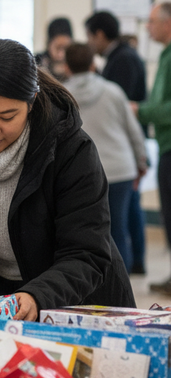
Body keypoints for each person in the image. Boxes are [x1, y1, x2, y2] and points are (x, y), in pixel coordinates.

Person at [0, 36, 135, 323]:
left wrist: (37, 295)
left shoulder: (70, 149)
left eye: (7, 116)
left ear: (31, 101)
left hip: (76, 302)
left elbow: (85, 252)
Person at [63, 43, 147, 272]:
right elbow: (133, 131)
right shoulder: (113, 91)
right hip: (121, 167)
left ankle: (102, 280)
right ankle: (125, 281)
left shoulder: (61, 95)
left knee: (90, 231)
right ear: (93, 64)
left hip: (83, 172)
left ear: (67, 67)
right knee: (118, 228)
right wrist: (142, 161)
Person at [86, 10, 149, 276]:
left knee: (118, 223)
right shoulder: (122, 56)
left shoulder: (120, 61)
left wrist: (141, 158)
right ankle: (136, 263)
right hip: (124, 157)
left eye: (91, 36)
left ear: (100, 34)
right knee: (130, 211)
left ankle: (125, 271)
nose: (90, 43)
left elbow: (124, 114)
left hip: (120, 155)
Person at [134, 2, 171, 294]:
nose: (148, 27)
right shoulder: (165, 55)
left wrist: (141, 111)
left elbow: (164, 108)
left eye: (152, 21)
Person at [35, 17, 73, 81]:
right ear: (48, 45)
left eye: (66, 48)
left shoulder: (78, 62)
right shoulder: (37, 62)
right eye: (58, 48)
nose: (62, 55)